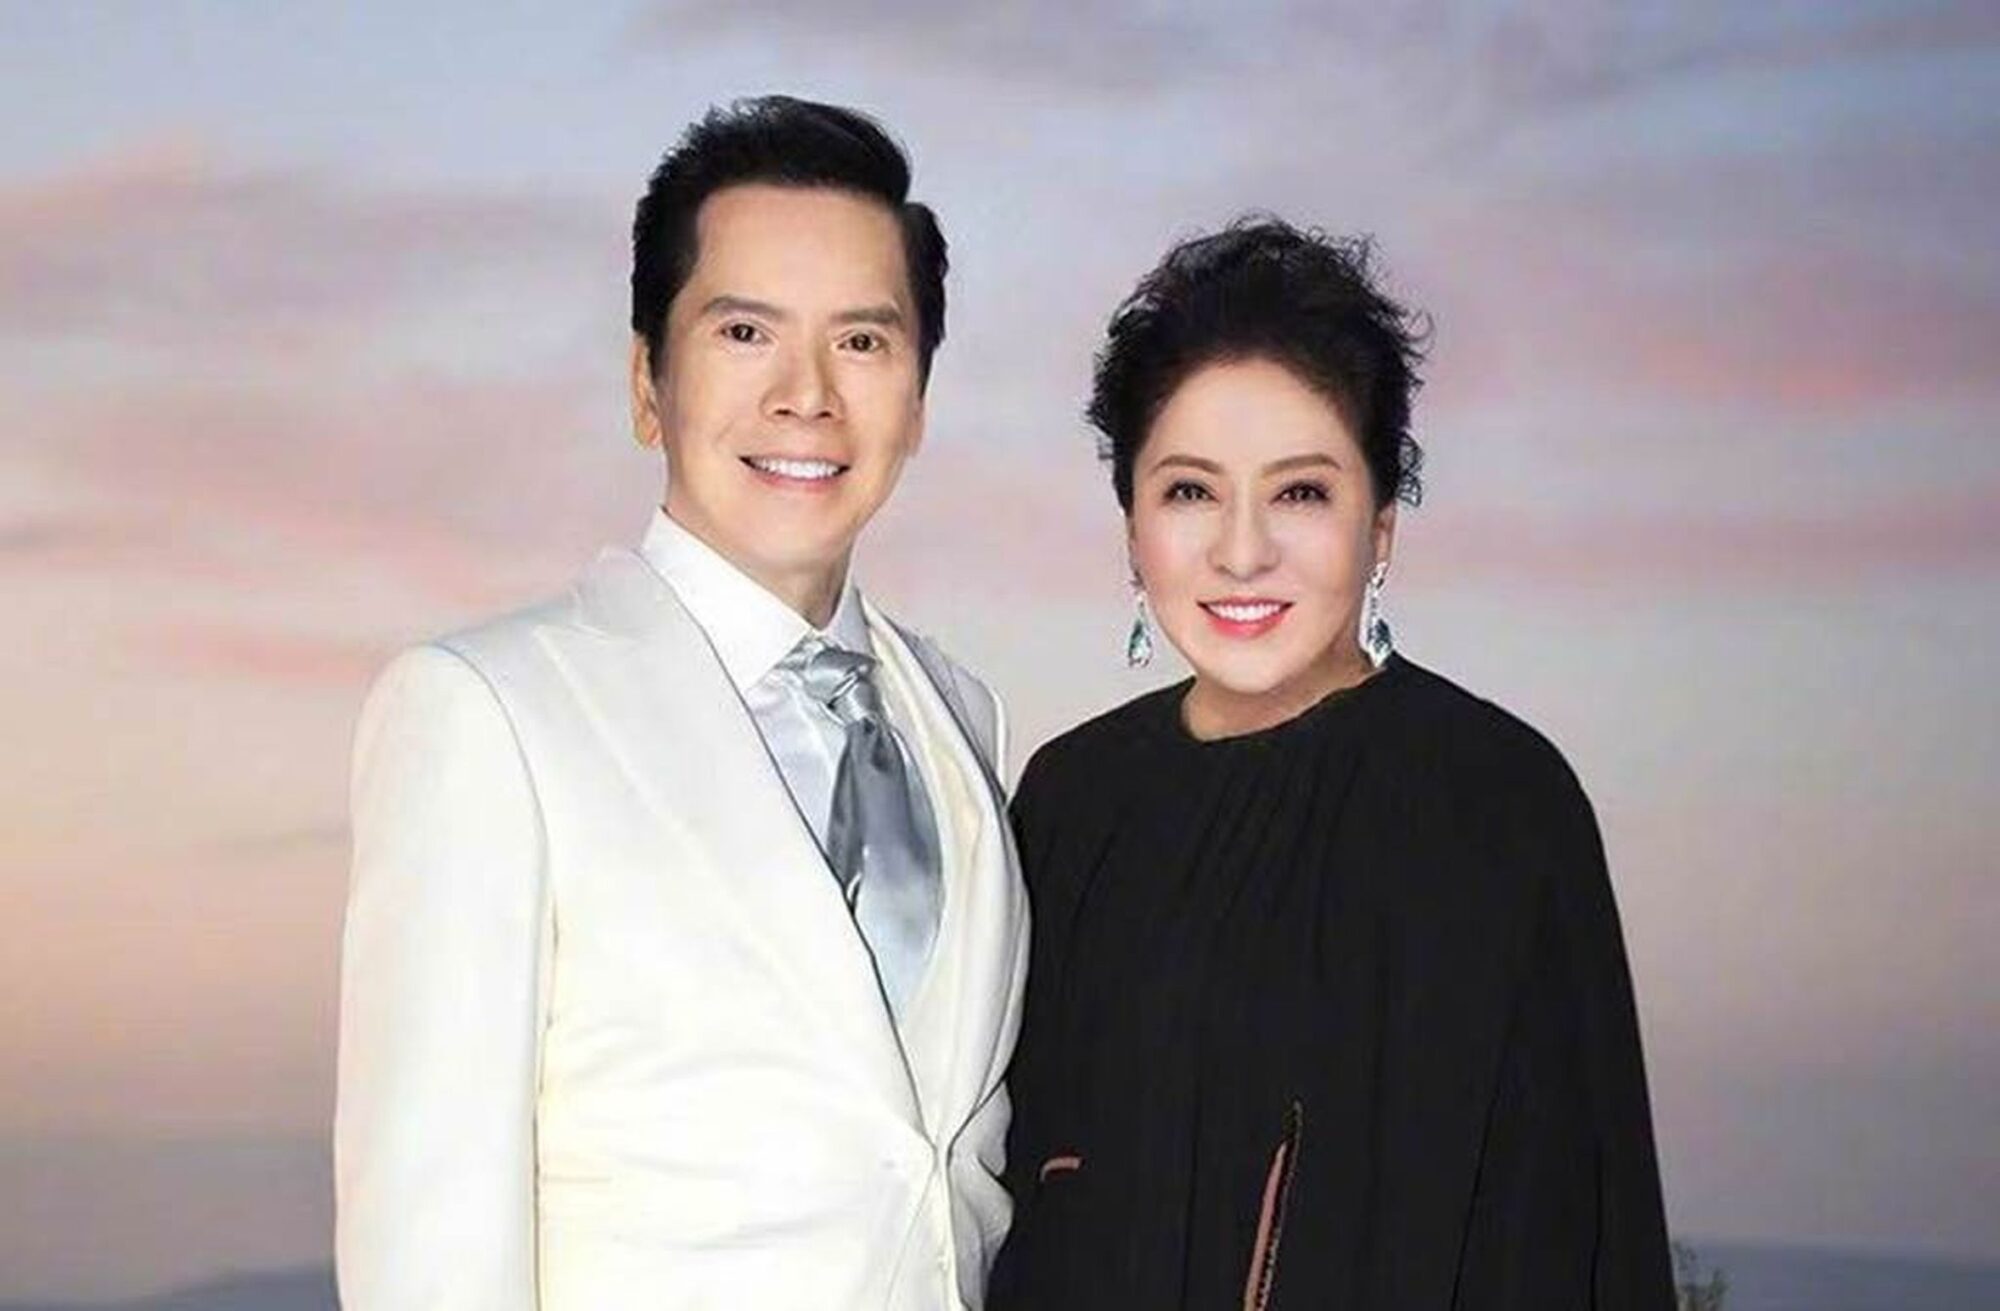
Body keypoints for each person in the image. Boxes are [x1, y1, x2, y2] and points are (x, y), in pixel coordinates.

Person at [335, 96, 1028, 1311]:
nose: (807, 394)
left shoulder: (959, 719)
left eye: (862, 342)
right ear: (646, 383)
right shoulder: (488, 716)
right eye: (745, 332)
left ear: (918, 399)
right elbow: (430, 1245)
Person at [990, 219, 1674, 1310]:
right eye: (1189, 491)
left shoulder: (1493, 803)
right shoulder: (1070, 803)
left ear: (1381, 526)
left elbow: (1570, 1228)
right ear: (1130, 528)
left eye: (1300, 492)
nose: (1242, 550)